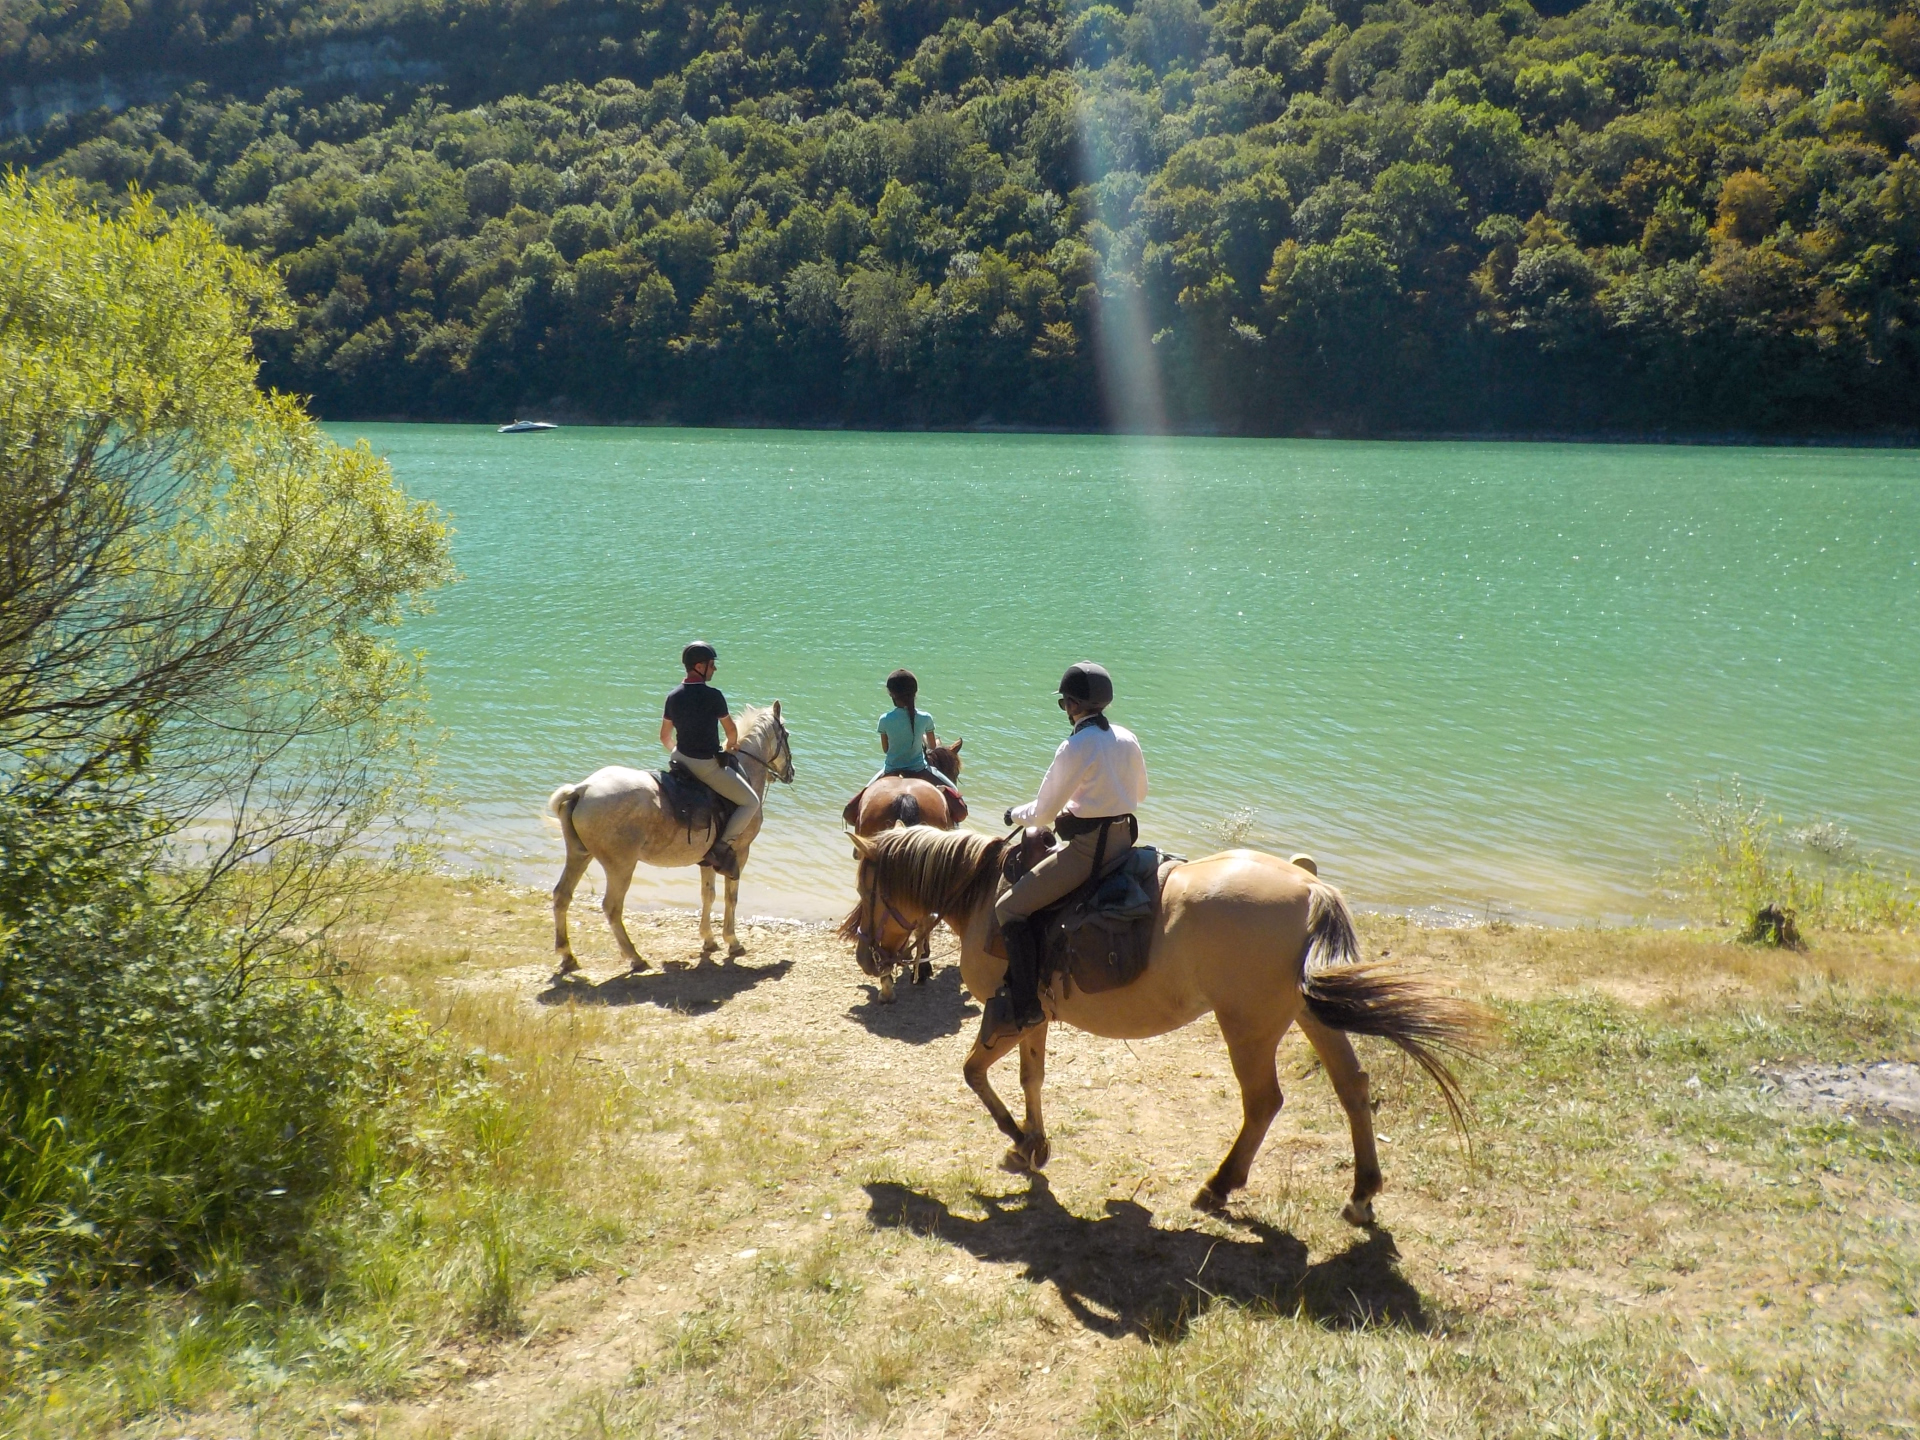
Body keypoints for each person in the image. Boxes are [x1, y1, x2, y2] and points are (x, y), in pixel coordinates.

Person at [988, 661, 1148, 1037]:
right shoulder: (1127, 737)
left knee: (1007, 908)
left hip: (1089, 851)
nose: (1065, 710)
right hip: (1126, 839)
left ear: (1073, 705)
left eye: (1064, 704)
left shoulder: (1074, 745)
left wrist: (1014, 815)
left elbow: (1043, 813)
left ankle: (1026, 1005)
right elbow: (1140, 793)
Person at [660, 641, 759, 877]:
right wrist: (733, 745)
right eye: (712, 665)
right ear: (699, 666)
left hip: (679, 759)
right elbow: (731, 732)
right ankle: (721, 847)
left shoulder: (672, 696)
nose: (714, 669)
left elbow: (664, 737)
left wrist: (680, 754)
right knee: (751, 803)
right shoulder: (714, 696)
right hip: (705, 766)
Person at [875, 669, 957, 789]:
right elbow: (932, 747)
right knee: (954, 791)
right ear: (915, 692)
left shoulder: (884, 719)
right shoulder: (925, 717)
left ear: (890, 693)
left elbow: (886, 749)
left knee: (860, 797)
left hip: (891, 768)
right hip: (919, 768)